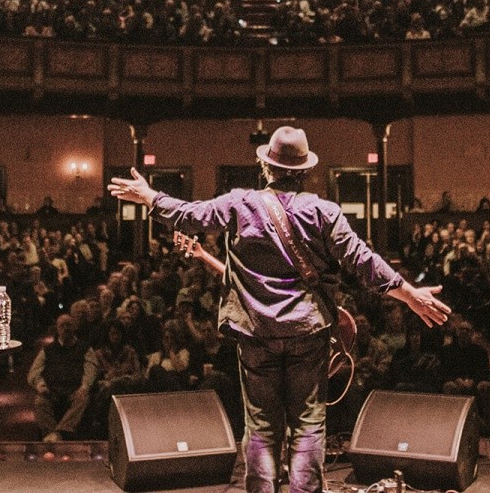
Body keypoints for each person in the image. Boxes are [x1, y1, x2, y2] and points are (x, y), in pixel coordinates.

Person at [108, 125, 450, 493]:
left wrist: (150, 197)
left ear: (267, 168)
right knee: (308, 424)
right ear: (304, 171)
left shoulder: (240, 203)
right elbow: (363, 261)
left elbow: (190, 217)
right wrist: (410, 293)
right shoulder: (324, 211)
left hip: (256, 333)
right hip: (308, 333)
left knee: (260, 426)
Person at [26, 314, 99, 442]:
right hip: (51, 390)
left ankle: (60, 433)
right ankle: (50, 433)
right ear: (57, 329)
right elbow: (34, 371)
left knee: (82, 399)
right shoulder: (48, 349)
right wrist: (40, 385)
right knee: (40, 402)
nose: (66, 328)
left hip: (75, 389)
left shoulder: (85, 348)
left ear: (74, 327)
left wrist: (84, 386)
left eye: (68, 325)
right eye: (62, 325)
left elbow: (91, 369)